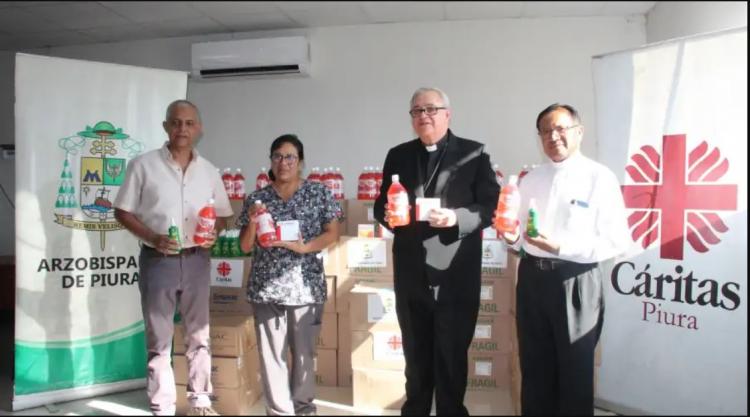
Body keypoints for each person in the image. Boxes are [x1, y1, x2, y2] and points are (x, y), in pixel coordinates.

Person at [373, 87, 500, 415]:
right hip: (412, 273)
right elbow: (380, 204)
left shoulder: (475, 153)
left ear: (447, 113)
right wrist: (386, 215)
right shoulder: (397, 155)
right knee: (415, 357)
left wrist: (457, 217)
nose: (424, 116)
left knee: (451, 356)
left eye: (431, 109)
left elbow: (489, 206)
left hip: (455, 276)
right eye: (416, 111)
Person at [500, 103, 630, 415]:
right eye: (546, 131)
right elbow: (519, 234)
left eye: (560, 128)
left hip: (576, 281)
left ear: (578, 132)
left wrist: (560, 246)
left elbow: (615, 240)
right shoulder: (530, 179)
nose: (553, 136)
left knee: (574, 371)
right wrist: (510, 237)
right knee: (534, 366)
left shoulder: (599, 178)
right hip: (532, 279)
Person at [114, 99, 233, 416]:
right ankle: (162, 406)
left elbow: (224, 216)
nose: (183, 128)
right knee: (159, 339)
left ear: (199, 128)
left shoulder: (208, 171)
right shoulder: (142, 165)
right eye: (176, 122)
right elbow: (122, 211)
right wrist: (152, 237)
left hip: (197, 260)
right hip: (158, 261)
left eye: (189, 123)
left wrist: (215, 230)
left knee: (199, 335)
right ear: (166, 127)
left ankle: (200, 400)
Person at [237, 134, 342, 416]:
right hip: (266, 288)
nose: (283, 162)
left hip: (305, 288)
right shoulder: (257, 198)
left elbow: (334, 233)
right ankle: (280, 411)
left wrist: (305, 246)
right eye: (277, 156)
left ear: (300, 162)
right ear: (271, 161)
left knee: (305, 355)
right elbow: (245, 246)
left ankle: (304, 408)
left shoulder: (318, 193)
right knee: (272, 357)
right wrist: (251, 222)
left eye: (290, 157)